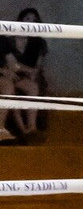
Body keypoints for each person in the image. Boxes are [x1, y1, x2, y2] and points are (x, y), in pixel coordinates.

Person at [3, 8, 48, 141]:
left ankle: (31, 127)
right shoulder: (8, 40)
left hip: (23, 77)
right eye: (27, 19)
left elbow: (38, 66)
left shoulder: (37, 43)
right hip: (8, 75)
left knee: (33, 87)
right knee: (10, 89)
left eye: (34, 21)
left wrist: (33, 73)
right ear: (20, 20)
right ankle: (23, 131)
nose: (30, 23)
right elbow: (10, 64)